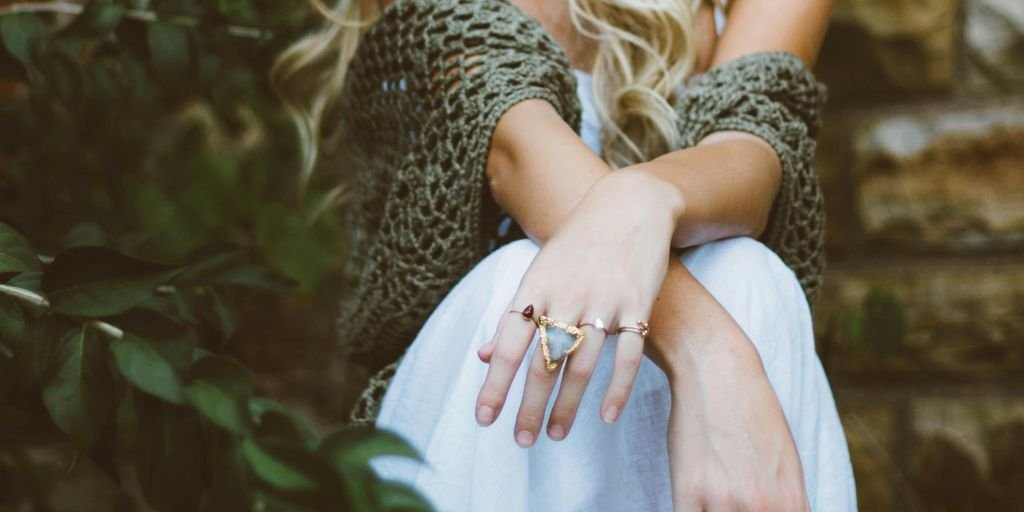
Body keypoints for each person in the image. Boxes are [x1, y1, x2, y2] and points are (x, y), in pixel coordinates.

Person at [273, 0, 856, 509]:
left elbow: (752, 153)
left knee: (745, 271)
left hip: (656, 384)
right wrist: (709, 349)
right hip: (481, 394)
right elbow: (514, 152)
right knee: (524, 278)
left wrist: (643, 197)